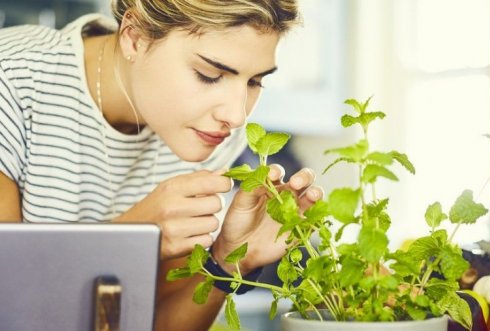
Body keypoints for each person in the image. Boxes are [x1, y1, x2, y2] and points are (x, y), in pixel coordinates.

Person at [0, 0, 323, 330]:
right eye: (209, 75)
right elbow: (7, 304)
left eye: (254, 81)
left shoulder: (207, 135)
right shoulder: (11, 80)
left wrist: (226, 262)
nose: (236, 116)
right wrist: (130, 236)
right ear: (135, 37)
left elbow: (156, 323)